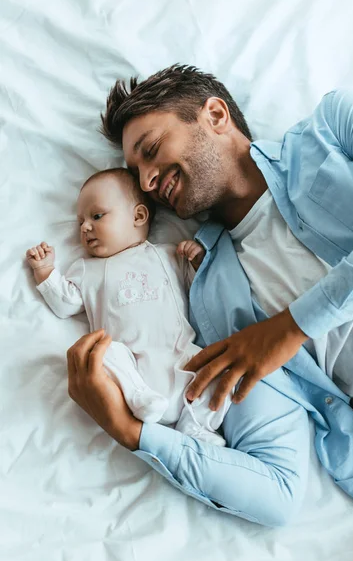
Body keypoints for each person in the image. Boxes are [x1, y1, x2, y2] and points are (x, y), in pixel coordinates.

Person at [66, 65, 353, 533]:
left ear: (216, 115)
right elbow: (277, 490)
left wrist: (288, 330)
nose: (144, 182)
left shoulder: (336, 126)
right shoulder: (211, 302)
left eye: (151, 150)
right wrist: (133, 432)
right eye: (136, 174)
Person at [26, 167, 230, 445]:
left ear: (138, 216)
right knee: (101, 350)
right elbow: (65, 304)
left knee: (222, 368)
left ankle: (195, 425)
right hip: (130, 368)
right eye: (81, 222)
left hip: (182, 359)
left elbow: (199, 290)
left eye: (97, 216)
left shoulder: (167, 254)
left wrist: (196, 261)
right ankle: (138, 396)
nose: (85, 227)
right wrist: (45, 271)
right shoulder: (87, 269)